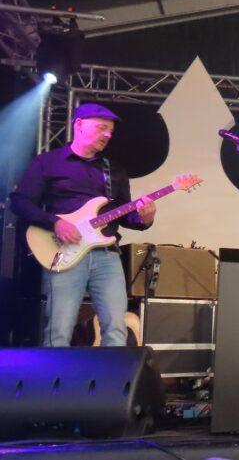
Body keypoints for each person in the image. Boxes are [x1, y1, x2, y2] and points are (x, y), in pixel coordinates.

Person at [10, 103, 156, 347]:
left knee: (116, 327)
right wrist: (55, 223)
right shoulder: (48, 162)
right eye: (101, 128)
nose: (107, 134)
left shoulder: (114, 171)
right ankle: (55, 373)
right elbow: (20, 202)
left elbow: (124, 215)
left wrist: (145, 218)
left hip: (106, 256)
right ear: (79, 125)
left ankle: (112, 373)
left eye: (110, 131)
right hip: (63, 252)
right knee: (59, 329)